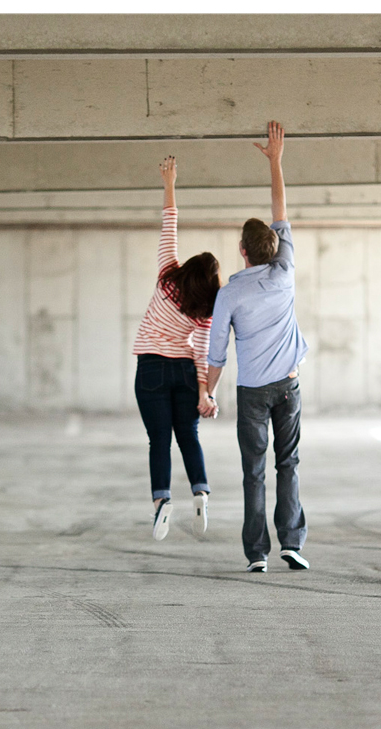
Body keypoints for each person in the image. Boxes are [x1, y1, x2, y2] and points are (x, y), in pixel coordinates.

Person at [200, 121, 310, 573]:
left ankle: (257, 555)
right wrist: (276, 161)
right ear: (273, 247)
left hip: (251, 393)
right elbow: (280, 209)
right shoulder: (284, 271)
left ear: (243, 252)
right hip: (288, 386)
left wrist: (206, 393)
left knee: (254, 473)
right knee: (290, 464)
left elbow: (216, 353)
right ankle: (292, 543)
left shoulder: (229, 293)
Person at [133, 156, 222, 541]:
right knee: (189, 435)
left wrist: (169, 182)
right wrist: (205, 393)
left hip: (152, 367)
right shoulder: (207, 309)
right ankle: (200, 490)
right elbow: (202, 352)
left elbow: (169, 223)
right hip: (186, 373)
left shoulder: (167, 274)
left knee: (159, 440)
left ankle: (161, 502)